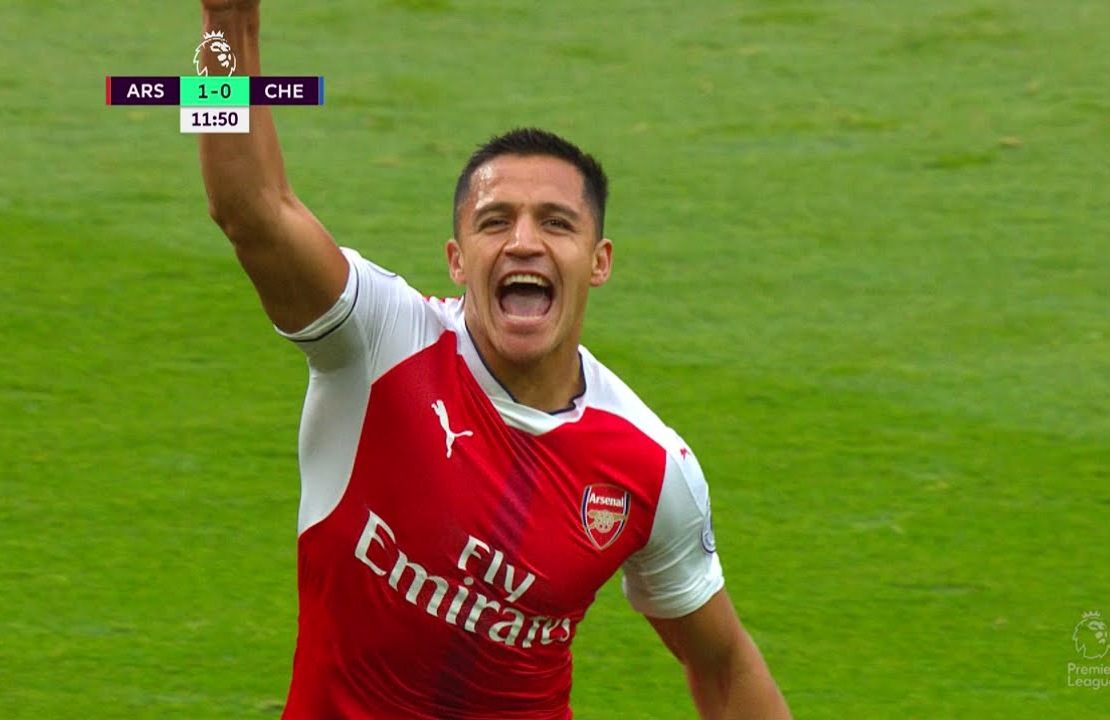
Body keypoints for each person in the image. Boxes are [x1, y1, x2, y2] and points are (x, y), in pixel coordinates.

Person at [197, 2, 793, 718]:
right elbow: (250, 209)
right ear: (457, 260)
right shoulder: (381, 342)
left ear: (598, 262)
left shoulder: (650, 467)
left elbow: (723, 664)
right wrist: (226, 26)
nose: (523, 242)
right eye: (495, 221)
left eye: (556, 223)